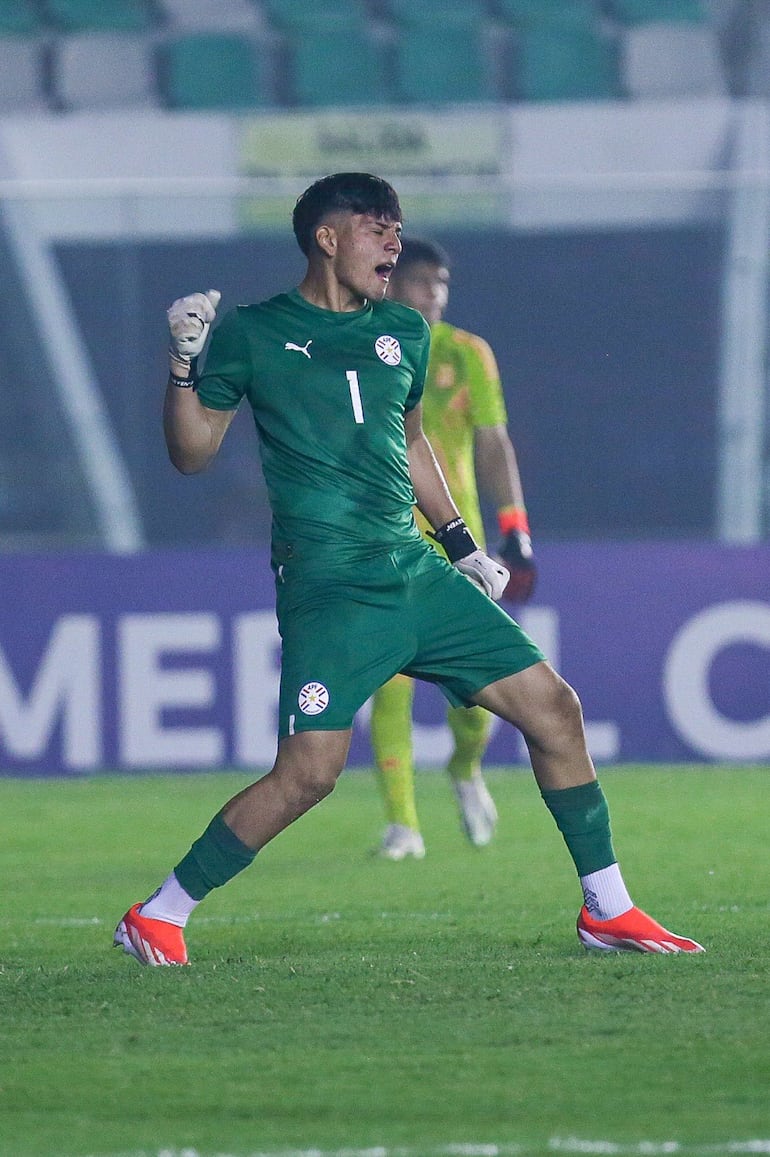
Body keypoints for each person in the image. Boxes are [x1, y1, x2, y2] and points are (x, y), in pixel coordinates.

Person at [114, 172, 704, 966]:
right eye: (376, 226)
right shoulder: (253, 331)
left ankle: (609, 906)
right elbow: (191, 453)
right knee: (309, 775)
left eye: (397, 228)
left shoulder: (403, 331)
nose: (395, 242)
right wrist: (183, 364)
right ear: (327, 237)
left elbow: (413, 440)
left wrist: (463, 546)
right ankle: (158, 912)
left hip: (413, 566)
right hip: (329, 584)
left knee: (554, 709)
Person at [371, 238, 536, 861]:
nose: (432, 294)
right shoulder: (364, 346)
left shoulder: (467, 355)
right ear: (389, 285)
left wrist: (514, 526)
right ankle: (403, 826)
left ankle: (465, 766)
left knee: (476, 690)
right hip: (386, 538)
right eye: (419, 282)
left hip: (456, 540)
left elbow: (493, 443)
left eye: (439, 283)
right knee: (389, 680)